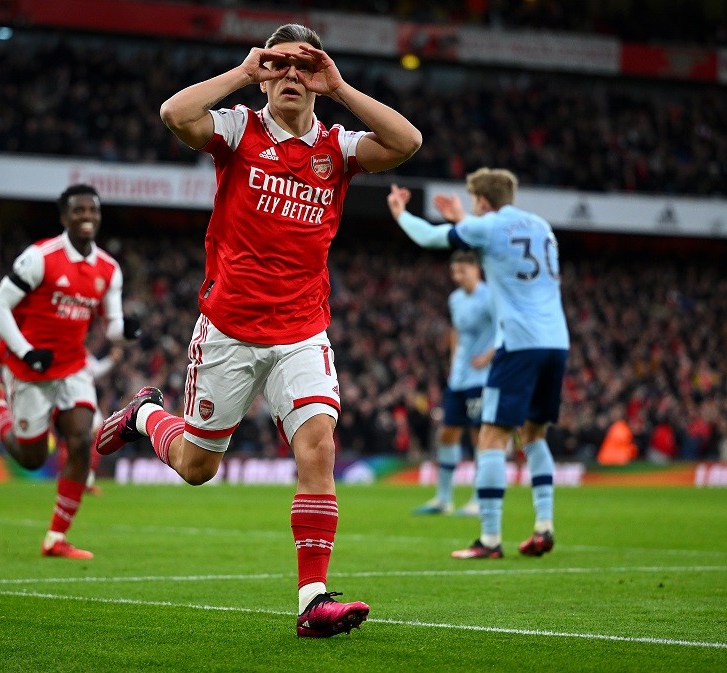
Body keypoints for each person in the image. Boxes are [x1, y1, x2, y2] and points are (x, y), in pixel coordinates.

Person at [97, 23, 421, 637]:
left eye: (305, 66)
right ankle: (145, 415)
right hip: (229, 330)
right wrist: (246, 73)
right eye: (280, 65)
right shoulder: (238, 128)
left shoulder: (337, 146)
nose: (292, 76)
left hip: (302, 331)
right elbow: (174, 113)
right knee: (197, 467)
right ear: (265, 73)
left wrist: (342, 85)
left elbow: (407, 142)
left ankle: (312, 599)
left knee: (319, 447)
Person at [386, 167, 569, 560]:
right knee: (534, 434)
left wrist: (401, 212)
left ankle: (488, 539)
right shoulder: (542, 226)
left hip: (519, 345)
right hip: (557, 342)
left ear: (482, 201)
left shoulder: (488, 227)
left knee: (490, 437)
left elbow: (431, 237)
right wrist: (464, 220)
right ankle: (544, 525)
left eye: (474, 201)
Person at [0, 184, 138, 559]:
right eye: (79, 211)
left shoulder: (108, 269)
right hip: (28, 366)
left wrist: (126, 331)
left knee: (83, 440)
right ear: (64, 217)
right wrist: (26, 351)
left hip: (72, 366)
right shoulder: (39, 258)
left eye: (92, 211)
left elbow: (111, 325)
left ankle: (56, 538)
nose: (86, 217)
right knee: (32, 457)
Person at [413, 250, 494, 516]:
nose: (458, 277)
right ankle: (444, 499)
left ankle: (479, 499)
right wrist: (453, 362)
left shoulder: (491, 297)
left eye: (463, 271)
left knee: (478, 435)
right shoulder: (455, 299)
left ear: (476, 270)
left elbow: (507, 330)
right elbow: (456, 332)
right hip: (459, 378)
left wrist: (489, 356)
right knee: (447, 433)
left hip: (482, 378)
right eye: (455, 272)